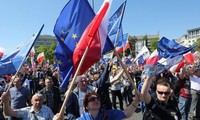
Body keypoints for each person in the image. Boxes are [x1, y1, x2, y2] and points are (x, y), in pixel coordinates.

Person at [77, 92, 142, 120]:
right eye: (92, 99)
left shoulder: (108, 115)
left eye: (98, 98)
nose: (96, 100)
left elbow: (125, 114)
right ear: (86, 106)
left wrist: (136, 102)